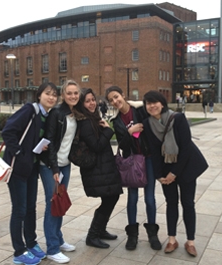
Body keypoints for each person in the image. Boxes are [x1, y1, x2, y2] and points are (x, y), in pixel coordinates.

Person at [141, 90, 208, 257]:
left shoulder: (178, 118)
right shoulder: (148, 124)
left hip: (186, 169)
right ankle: (172, 239)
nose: (152, 106)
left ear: (162, 103)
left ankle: (190, 241)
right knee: (171, 203)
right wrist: (159, 175)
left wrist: (174, 173)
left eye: (155, 102)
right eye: (148, 103)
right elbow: (155, 152)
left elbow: (185, 148)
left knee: (188, 203)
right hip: (165, 169)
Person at [1, 82, 58, 265]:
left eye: (54, 95)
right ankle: (19, 251)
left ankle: (31, 243)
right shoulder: (29, 110)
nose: (51, 97)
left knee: (31, 208)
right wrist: (19, 153)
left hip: (31, 169)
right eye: (48, 93)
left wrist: (41, 146)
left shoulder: (45, 115)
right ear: (39, 95)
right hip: (18, 168)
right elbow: (8, 131)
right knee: (19, 210)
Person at [105, 86, 162, 251]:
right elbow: (121, 145)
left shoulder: (139, 111)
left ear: (123, 95)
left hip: (148, 158)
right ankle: (132, 235)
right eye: (111, 100)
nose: (115, 101)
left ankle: (152, 234)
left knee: (150, 198)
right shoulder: (116, 121)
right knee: (132, 198)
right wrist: (129, 132)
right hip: (132, 161)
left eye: (116, 97)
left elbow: (152, 128)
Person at [73, 88, 123, 249]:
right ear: (81, 104)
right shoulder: (86, 122)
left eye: (93, 99)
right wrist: (108, 131)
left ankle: (100, 230)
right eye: (87, 101)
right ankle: (93, 235)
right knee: (110, 199)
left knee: (111, 198)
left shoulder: (93, 118)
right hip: (97, 169)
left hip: (103, 167)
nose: (92, 103)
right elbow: (96, 146)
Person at [39, 79, 80, 264]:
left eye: (75, 93)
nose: (73, 96)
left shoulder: (75, 114)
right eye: (69, 93)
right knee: (53, 204)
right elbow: (50, 141)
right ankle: (52, 249)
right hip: (50, 165)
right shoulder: (57, 113)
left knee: (60, 203)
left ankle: (58, 239)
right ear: (63, 95)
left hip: (65, 164)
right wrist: (54, 167)